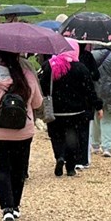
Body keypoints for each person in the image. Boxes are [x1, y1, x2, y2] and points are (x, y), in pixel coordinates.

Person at [0, 49, 42, 221]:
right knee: (19, 168)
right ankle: (16, 205)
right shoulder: (27, 76)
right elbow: (37, 103)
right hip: (23, 131)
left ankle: (7, 207)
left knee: (0, 168)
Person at [37, 39, 103, 177]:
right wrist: (98, 105)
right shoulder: (81, 68)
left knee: (56, 136)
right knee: (73, 138)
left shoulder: (50, 66)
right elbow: (89, 90)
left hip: (55, 110)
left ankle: (59, 156)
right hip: (76, 111)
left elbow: (41, 86)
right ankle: (71, 167)